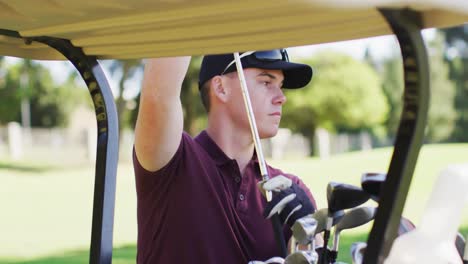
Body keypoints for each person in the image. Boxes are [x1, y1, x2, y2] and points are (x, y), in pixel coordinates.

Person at [133, 49, 317, 264]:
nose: (281, 98)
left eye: (280, 86)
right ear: (221, 88)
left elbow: (313, 255)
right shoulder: (174, 162)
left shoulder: (289, 190)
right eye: (266, 82)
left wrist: (309, 231)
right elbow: (158, 95)